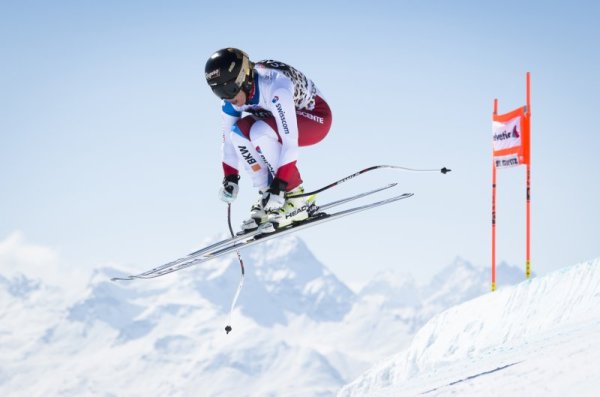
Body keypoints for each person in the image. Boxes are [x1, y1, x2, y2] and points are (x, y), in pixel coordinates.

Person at [204, 48, 332, 232]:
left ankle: (297, 199)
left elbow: (290, 143)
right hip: (279, 119)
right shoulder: (231, 99)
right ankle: (268, 199)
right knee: (237, 132)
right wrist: (230, 178)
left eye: (230, 89)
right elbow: (228, 140)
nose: (228, 98)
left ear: (243, 78)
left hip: (316, 117)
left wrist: (280, 184)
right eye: (219, 92)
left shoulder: (275, 87)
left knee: (260, 131)